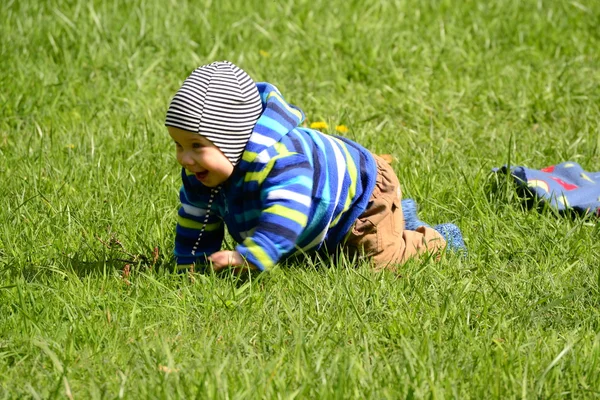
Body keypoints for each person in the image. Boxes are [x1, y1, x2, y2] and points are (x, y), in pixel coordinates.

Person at [164, 61, 465, 273]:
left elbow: (287, 212)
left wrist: (253, 256)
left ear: (234, 140)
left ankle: (437, 239)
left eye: (197, 146)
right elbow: (197, 217)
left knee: (376, 263)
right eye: (179, 145)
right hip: (324, 206)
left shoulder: (283, 162)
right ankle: (402, 216)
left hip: (364, 195)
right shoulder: (202, 173)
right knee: (331, 256)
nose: (185, 159)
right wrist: (192, 264)